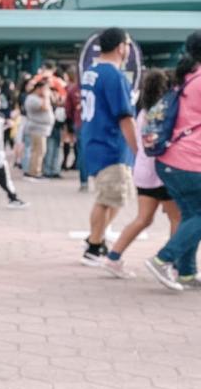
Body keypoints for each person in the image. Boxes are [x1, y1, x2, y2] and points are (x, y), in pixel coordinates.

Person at [103, 69, 179, 279]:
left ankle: (113, 256)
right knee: (177, 218)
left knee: (143, 219)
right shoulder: (165, 113)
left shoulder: (143, 112)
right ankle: (172, 264)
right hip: (162, 173)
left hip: (143, 172)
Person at [145, 31, 201, 291]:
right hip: (189, 163)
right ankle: (163, 259)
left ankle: (187, 272)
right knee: (198, 215)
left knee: (192, 214)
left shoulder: (186, 78)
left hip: (170, 160)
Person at [79, 27, 137, 266]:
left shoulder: (91, 71)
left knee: (112, 197)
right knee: (109, 199)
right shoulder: (114, 76)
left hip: (94, 140)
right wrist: (138, 150)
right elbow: (125, 117)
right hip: (111, 145)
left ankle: (96, 237)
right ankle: (94, 245)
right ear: (120, 47)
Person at [23, 79, 54, 181]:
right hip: (36, 129)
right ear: (39, 89)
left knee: (40, 151)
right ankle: (34, 172)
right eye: (45, 89)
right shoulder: (32, 99)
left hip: (42, 129)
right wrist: (46, 96)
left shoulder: (39, 98)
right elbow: (44, 107)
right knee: (38, 151)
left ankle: (36, 171)